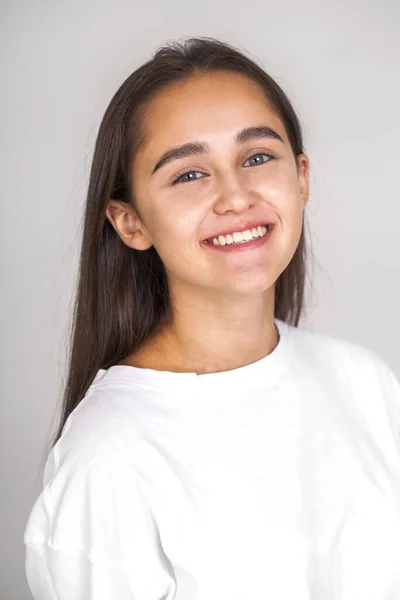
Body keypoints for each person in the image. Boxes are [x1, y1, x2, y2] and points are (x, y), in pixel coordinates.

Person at [24, 37, 400, 600]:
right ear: (130, 223)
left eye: (256, 158)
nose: (235, 196)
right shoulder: (110, 457)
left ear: (301, 179)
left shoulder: (362, 381)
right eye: (188, 175)